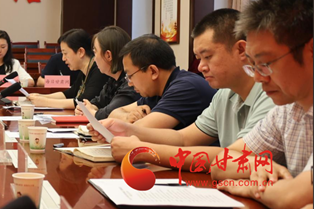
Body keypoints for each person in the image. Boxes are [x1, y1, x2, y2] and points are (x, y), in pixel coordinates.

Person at [88, 10, 273, 172]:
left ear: (241, 50)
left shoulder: (271, 94)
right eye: (199, 58)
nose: (200, 67)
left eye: (208, 56)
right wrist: (128, 130)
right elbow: (183, 138)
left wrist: (143, 150)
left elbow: (235, 158)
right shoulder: (225, 94)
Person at [211, 0, 312, 209]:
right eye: (253, 65)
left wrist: (249, 188)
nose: (258, 77)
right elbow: (220, 163)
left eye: (266, 63)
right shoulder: (286, 111)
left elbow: (293, 196)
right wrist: (256, 164)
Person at [106, 34, 216, 129]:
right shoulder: (157, 90)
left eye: (130, 76)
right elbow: (113, 114)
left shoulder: (186, 87)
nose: (129, 83)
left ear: (153, 71)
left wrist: (131, 122)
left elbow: (139, 130)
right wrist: (128, 117)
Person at [27, 29, 111, 109]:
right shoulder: (85, 70)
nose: (63, 59)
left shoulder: (99, 71)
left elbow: (83, 102)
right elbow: (70, 93)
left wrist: (45, 102)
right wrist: (41, 97)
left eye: (65, 53)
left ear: (81, 52)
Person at [75, 26, 139, 119]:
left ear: (108, 55)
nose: (94, 58)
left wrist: (91, 112)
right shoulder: (113, 79)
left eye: (95, 52)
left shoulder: (130, 82)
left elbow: (109, 113)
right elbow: (98, 102)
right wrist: (86, 108)